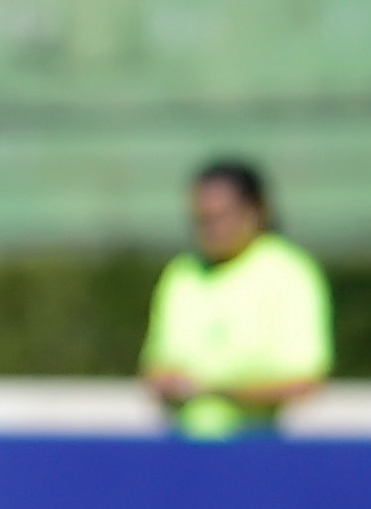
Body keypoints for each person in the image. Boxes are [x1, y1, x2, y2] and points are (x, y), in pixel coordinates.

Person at [141, 160, 331, 439]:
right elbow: (156, 369)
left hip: (257, 450)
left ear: (256, 211)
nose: (212, 229)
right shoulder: (181, 274)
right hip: (185, 447)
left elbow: (304, 381)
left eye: (221, 217)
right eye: (202, 220)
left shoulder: (291, 273)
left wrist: (215, 391)